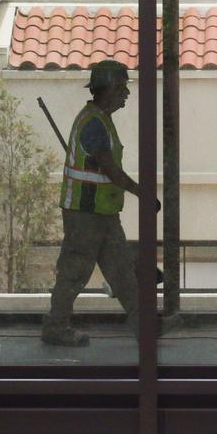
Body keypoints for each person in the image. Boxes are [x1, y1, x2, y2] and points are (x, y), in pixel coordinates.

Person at [42, 59, 162, 346]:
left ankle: (146, 328)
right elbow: (110, 170)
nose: (126, 94)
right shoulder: (94, 124)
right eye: (122, 87)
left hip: (102, 212)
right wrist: (142, 194)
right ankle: (56, 327)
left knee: (123, 273)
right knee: (74, 272)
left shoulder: (100, 120)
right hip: (85, 213)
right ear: (107, 89)